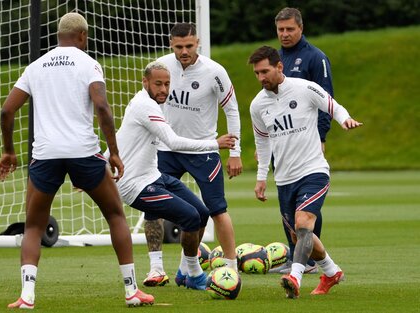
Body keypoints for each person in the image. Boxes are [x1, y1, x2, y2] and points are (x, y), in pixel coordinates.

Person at [0, 12, 153, 308]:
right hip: (83, 153)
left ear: (59, 36)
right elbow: (102, 108)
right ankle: (132, 291)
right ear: (82, 36)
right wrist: (114, 152)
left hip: (45, 155)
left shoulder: (36, 66)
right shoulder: (88, 63)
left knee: (33, 227)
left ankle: (27, 296)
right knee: (116, 216)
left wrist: (9, 151)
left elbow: (6, 111)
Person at [107, 61, 236, 290]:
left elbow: (120, 135)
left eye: (167, 84)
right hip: (135, 186)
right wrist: (214, 144)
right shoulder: (144, 106)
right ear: (145, 82)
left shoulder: (147, 102)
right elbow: (173, 142)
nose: (164, 90)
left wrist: (101, 161)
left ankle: (184, 271)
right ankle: (195, 275)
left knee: (203, 213)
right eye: (158, 84)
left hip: (153, 176)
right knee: (190, 218)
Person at [248, 45, 362, 298]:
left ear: (279, 67)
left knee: (303, 224)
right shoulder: (257, 105)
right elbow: (262, 142)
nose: (261, 78)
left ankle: (295, 277)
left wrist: (345, 120)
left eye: (264, 71)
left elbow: (333, 106)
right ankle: (332, 272)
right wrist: (260, 178)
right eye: (256, 73)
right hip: (284, 178)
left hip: (313, 171)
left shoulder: (304, 88)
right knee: (300, 234)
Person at [142, 23, 243, 287]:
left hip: (203, 151)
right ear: (170, 44)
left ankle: (229, 270)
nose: (184, 51)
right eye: (179, 47)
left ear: (197, 42)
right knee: (152, 206)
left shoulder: (214, 72)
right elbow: (145, 104)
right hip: (166, 149)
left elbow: (231, 110)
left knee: (216, 210)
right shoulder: (161, 67)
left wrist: (235, 151)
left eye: (189, 46)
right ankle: (155, 269)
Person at [271, 7, 335, 274]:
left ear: (301, 28)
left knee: (306, 203)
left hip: (308, 141)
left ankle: (306, 260)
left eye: (290, 29)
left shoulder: (315, 58)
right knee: (288, 198)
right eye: (280, 30)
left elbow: (326, 101)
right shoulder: (276, 58)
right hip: (283, 139)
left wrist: (321, 137)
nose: (285, 34)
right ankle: (297, 255)